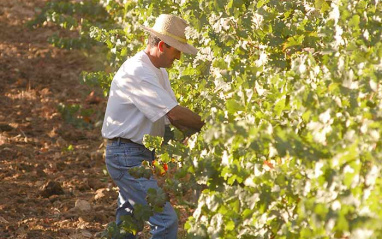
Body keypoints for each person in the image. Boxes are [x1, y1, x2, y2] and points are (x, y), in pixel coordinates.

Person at [101, 14, 204, 238]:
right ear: (161, 46)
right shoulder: (139, 72)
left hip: (136, 154)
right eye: (177, 50)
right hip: (126, 156)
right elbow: (175, 114)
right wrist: (210, 126)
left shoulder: (159, 72)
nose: (179, 57)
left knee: (129, 220)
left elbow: (170, 119)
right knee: (166, 220)